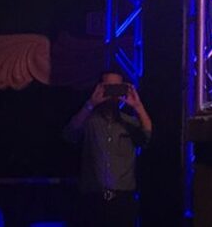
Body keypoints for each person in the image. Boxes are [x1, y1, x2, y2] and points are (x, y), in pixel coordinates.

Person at [62, 70, 152, 227]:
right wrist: (91, 103)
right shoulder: (89, 121)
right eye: (108, 88)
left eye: (116, 88)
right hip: (92, 199)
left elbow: (147, 135)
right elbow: (70, 134)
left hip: (122, 201)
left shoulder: (129, 122)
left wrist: (138, 106)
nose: (112, 93)